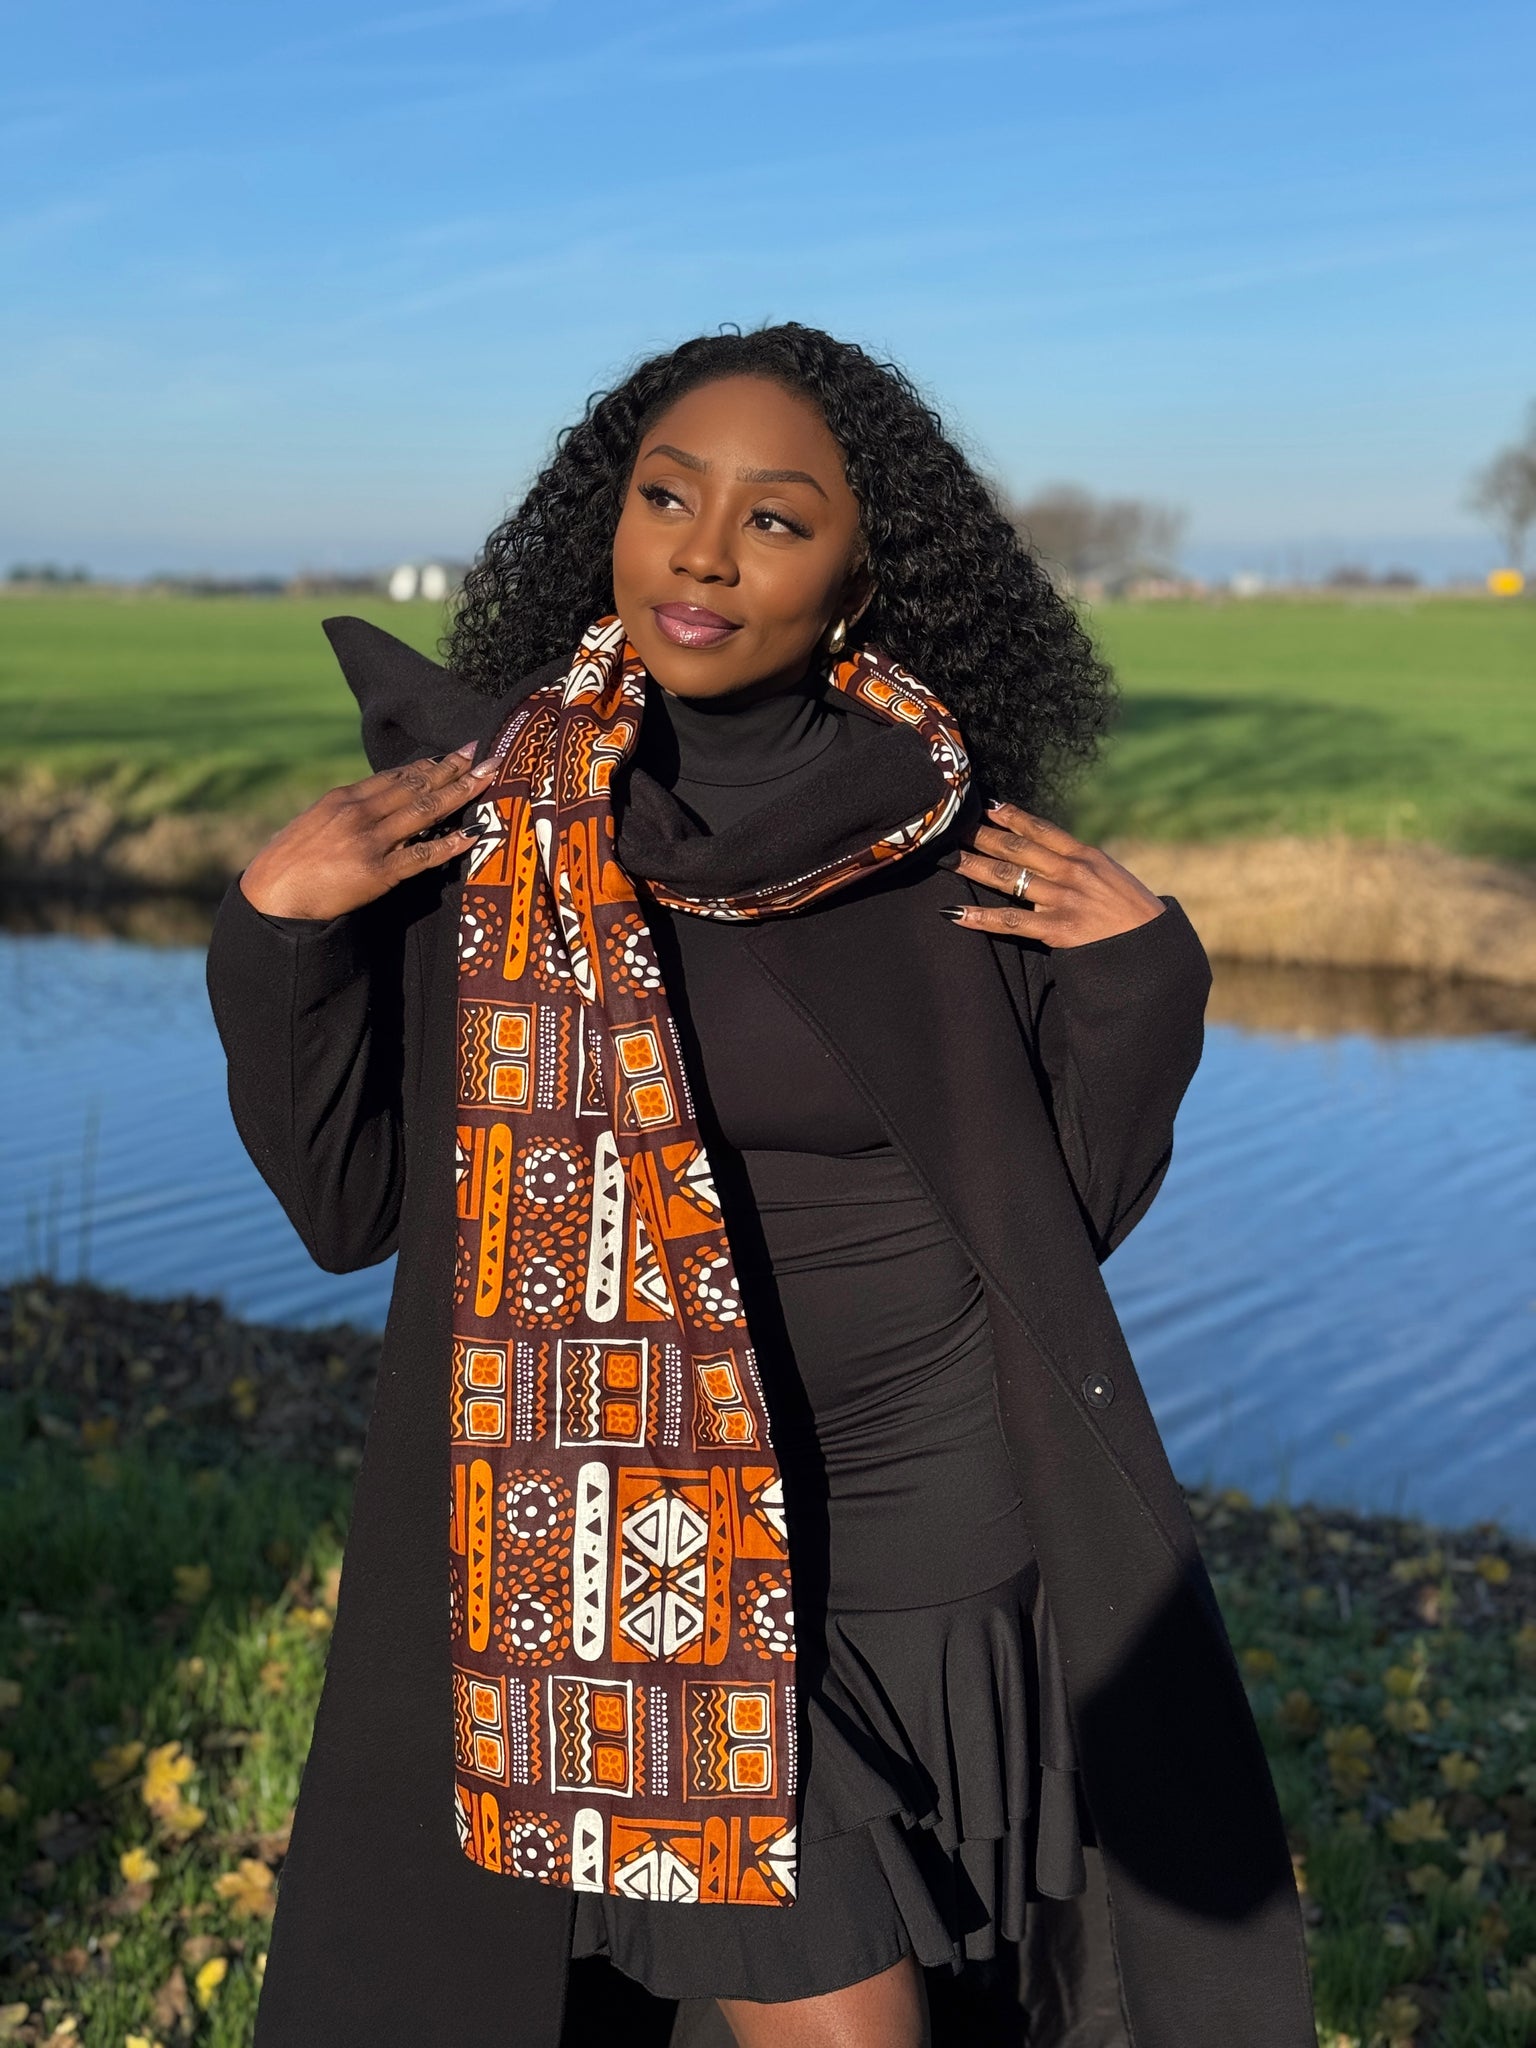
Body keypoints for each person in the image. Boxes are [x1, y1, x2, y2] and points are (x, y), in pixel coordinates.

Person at [207, 324, 1314, 2048]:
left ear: (861, 579)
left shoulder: (943, 843)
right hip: (628, 1555)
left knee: (964, 1995)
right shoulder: (502, 838)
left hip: (928, 1536)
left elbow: (1056, 1231)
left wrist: (1142, 985)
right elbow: (350, 1208)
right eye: (667, 497)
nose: (704, 554)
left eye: (776, 519)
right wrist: (279, 932)